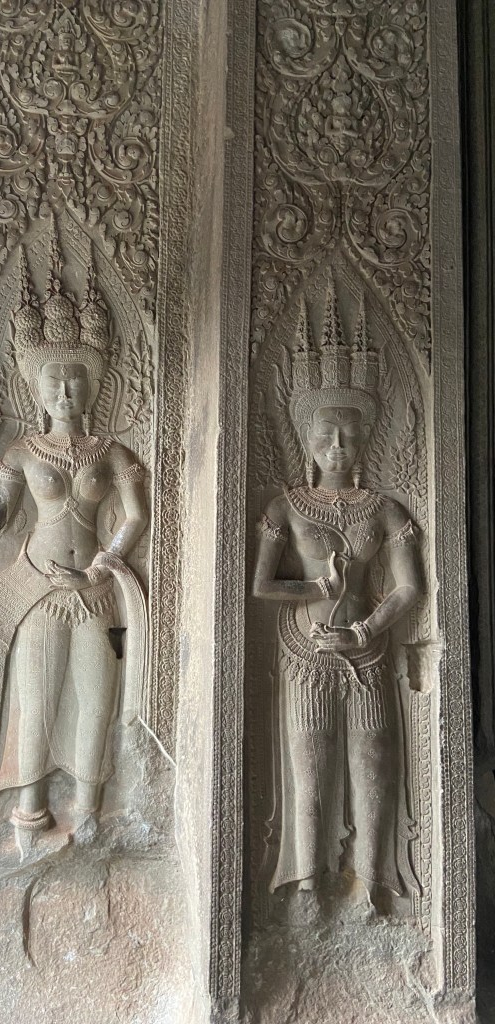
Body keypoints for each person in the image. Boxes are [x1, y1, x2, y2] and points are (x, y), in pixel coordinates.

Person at [0, 245, 148, 834]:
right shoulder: (24, 451)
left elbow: (135, 517)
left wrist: (104, 566)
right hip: (37, 590)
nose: (65, 392)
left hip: (97, 594)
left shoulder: (114, 451)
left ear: (94, 383)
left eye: (75, 380)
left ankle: (91, 807)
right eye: (54, 381)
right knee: (37, 699)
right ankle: (29, 809)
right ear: (37, 387)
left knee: (96, 698)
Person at [252, 288, 421, 900]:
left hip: (366, 653)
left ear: (368, 436)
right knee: (312, 769)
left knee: (372, 765)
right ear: (307, 439)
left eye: (350, 434)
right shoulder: (285, 509)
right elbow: (262, 585)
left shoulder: (386, 508)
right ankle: (308, 886)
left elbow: (409, 587)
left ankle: (373, 884)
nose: (340, 447)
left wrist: (366, 628)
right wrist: (316, 587)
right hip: (306, 652)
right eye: (327, 434)